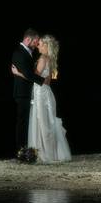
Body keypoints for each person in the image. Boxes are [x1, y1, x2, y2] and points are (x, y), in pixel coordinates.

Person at [12, 34, 72, 163]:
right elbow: (48, 81)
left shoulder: (43, 58)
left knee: (42, 123)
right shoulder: (50, 59)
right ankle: (52, 152)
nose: (37, 45)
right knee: (47, 122)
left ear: (45, 46)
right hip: (47, 92)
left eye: (40, 44)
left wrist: (18, 73)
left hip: (40, 93)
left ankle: (45, 153)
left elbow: (34, 77)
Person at [12, 29, 50, 154]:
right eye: (35, 41)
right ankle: (21, 150)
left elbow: (28, 73)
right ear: (28, 39)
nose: (36, 44)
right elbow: (28, 74)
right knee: (22, 122)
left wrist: (18, 73)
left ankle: (28, 149)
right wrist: (43, 81)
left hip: (32, 92)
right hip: (22, 93)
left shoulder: (29, 53)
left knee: (30, 122)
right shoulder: (19, 52)